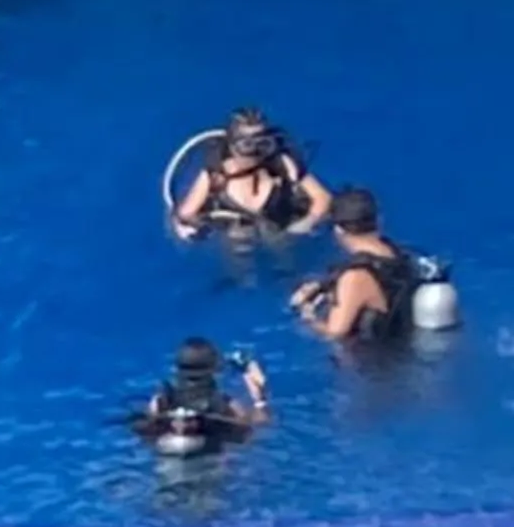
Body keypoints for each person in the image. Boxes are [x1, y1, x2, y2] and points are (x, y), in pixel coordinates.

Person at [172, 108, 332, 240]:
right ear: (232, 146)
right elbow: (185, 214)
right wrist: (198, 228)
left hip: (280, 228)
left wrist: (308, 222)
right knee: (238, 240)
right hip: (237, 233)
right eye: (246, 145)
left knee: (279, 242)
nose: (255, 152)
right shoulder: (216, 175)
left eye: (262, 144)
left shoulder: (282, 164)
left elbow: (322, 197)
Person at [291, 187, 421, 344]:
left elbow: (334, 333)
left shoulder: (355, 277)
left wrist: (306, 316)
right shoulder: (396, 253)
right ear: (378, 221)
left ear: (338, 231)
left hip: (375, 364)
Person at [134, 338, 270, 457]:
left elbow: (147, 431)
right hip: (210, 469)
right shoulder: (223, 404)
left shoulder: (162, 400)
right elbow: (255, 430)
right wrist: (260, 399)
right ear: (213, 371)